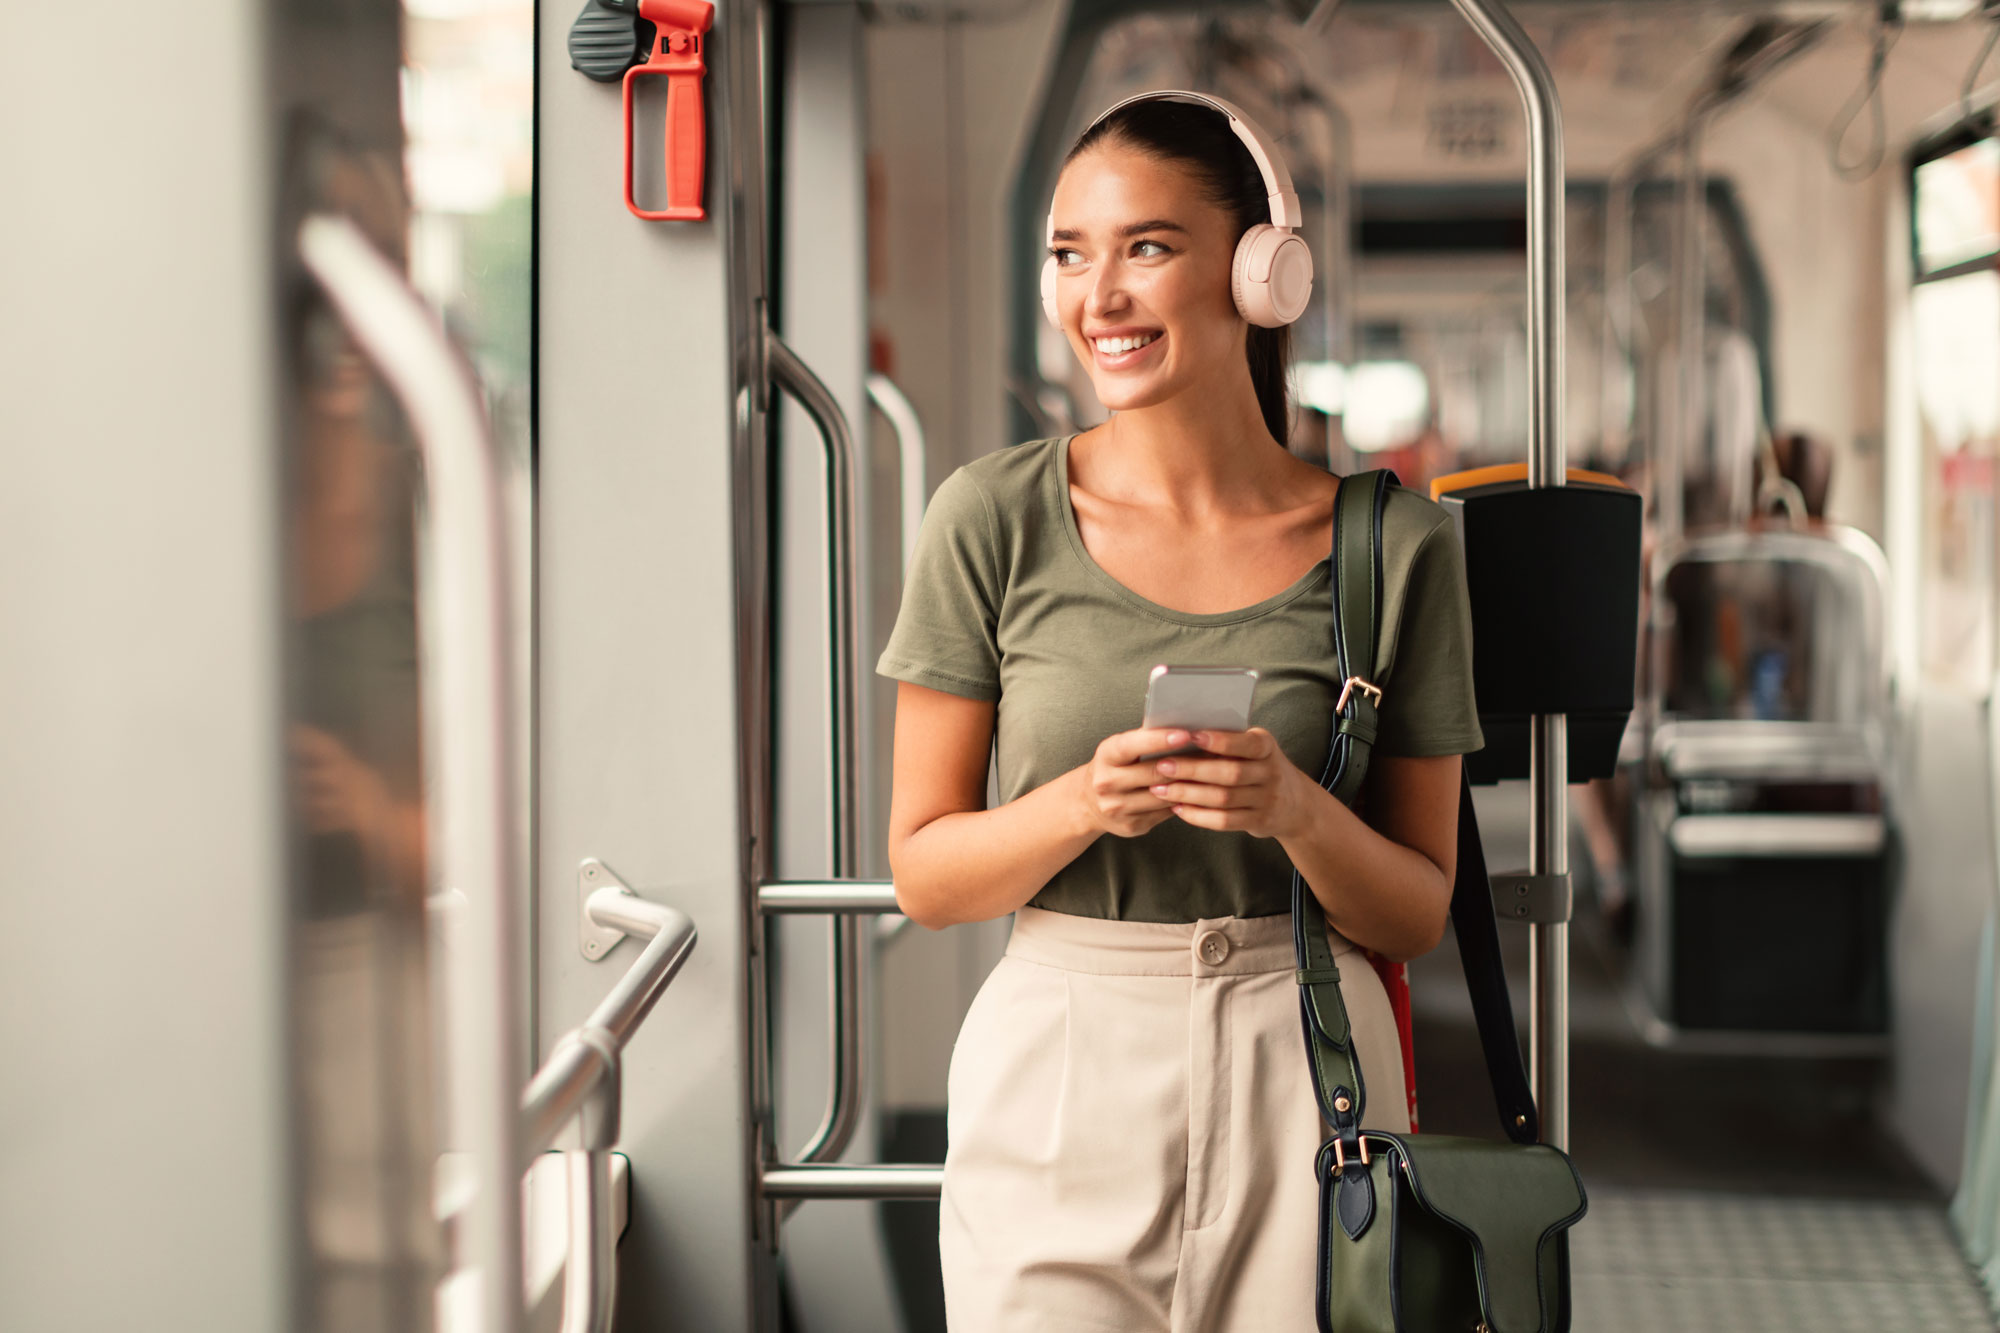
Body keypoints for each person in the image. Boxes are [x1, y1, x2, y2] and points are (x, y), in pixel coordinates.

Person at [876, 92, 1484, 1332]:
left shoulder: (1396, 547)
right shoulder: (988, 517)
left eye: (1145, 246)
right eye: (1067, 254)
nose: (1097, 294)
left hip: (1306, 1065)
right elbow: (926, 875)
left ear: (1260, 272)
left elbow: (1415, 907)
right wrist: (1082, 802)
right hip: (1061, 1055)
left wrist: (1294, 811)